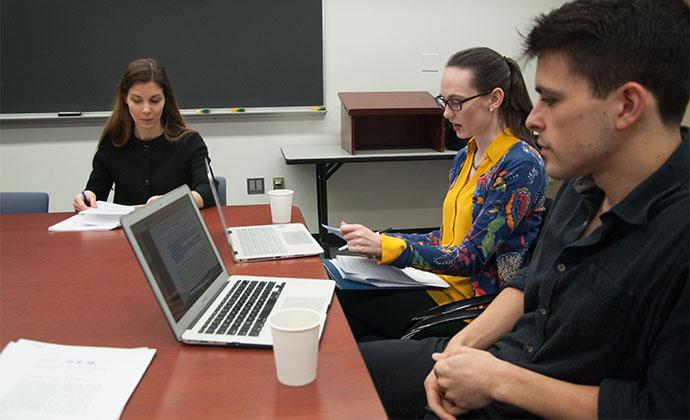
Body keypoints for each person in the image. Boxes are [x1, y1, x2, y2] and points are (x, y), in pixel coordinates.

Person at [358, 0, 689, 418]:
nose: (533, 118)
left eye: (551, 100)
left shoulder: (677, 237)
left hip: (525, 393)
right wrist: (459, 353)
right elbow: (531, 280)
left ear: (627, 106)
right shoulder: (584, 182)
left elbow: (659, 409)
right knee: (344, 372)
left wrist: (497, 380)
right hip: (500, 360)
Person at [338, 47, 548, 340]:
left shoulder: (520, 164)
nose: (447, 113)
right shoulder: (466, 155)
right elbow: (447, 238)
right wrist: (383, 240)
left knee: (340, 306)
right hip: (439, 287)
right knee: (342, 298)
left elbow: (471, 257)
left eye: (457, 103)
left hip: (473, 310)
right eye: (445, 102)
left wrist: (390, 248)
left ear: (495, 99)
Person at [72, 58, 215, 211]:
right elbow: (95, 194)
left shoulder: (189, 142)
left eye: (154, 100)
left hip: (174, 230)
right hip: (122, 233)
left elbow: (209, 192)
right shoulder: (113, 143)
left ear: (166, 100)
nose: (146, 110)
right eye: (137, 100)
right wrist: (86, 198)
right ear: (125, 99)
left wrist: (173, 202)